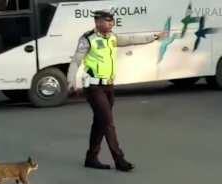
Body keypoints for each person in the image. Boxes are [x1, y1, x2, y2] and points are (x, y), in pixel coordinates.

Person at [67, 10, 165, 172]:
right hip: (93, 87)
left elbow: (131, 39)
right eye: (107, 21)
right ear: (98, 22)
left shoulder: (112, 37)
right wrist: (71, 81)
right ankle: (119, 160)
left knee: (100, 122)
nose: (111, 24)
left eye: (112, 21)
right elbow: (76, 60)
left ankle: (91, 158)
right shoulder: (88, 39)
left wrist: (154, 37)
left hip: (108, 86)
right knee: (108, 123)